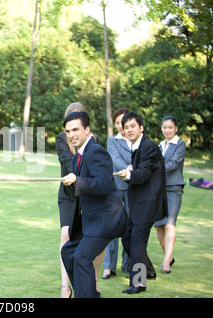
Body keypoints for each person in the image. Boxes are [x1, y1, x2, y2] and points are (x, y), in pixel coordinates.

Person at [60, 111, 127, 298]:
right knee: (68, 252)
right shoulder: (77, 157)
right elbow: (77, 190)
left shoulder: (96, 151)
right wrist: (70, 185)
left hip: (106, 218)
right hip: (90, 221)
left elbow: (104, 183)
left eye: (75, 129)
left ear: (87, 130)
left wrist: (77, 181)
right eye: (68, 131)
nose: (71, 134)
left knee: (81, 256)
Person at [118, 112, 168, 294]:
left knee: (137, 241)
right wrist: (131, 171)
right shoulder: (136, 146)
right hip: (139, 202)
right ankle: (149, 271)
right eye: (126, 127)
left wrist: (129, 174)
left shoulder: (148, 147)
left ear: (141, 127)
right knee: (127, 237)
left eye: (132, 126)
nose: (129, 130)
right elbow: (141, 171)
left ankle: (138, 283)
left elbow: (144, 173)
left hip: (148, 202)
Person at [55, 102, 86, 298]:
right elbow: (68, 164)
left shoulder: (92, 139)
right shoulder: (61, 139)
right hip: (67, 195)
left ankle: (89, 283)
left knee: (85, 239)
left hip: (85, 194)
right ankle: (65, 287)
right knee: (66, 235)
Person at [154, 116, 186, 274]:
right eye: (164, 127)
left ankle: (166, 261)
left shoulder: (180, 144)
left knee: (169, 224)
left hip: (174, 188)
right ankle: (169, 256)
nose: (167, 130)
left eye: (170, 127)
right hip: (159, 189)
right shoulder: (159, 146)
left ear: (176, 128)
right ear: (161, 128)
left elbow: (173, 164)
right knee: (159, 225)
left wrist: (155, 169)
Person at [102, 108, 131, 279]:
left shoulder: (137, 141)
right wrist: (129, 168)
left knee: (130, 227)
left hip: (133, 189)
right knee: (112, 228)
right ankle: (108, 267)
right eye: (118, 123)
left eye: (123, 122)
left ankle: (128, 265)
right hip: (115, 188)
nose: (121, 126)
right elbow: (116, 160)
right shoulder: (112, 141)